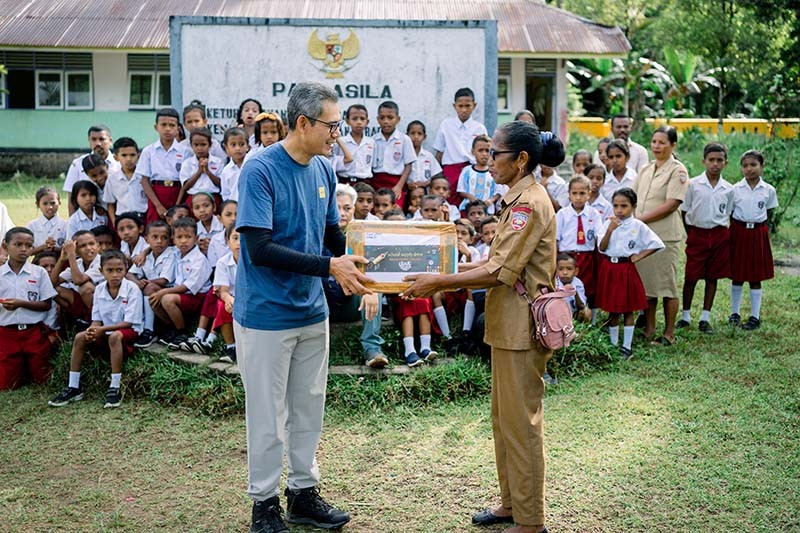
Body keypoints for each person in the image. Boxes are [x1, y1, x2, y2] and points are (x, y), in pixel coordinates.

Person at [402, 121, 565, 533]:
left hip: (520, 327)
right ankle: (512, 504)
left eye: (496, 154)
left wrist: (438, 281)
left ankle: (530, 521)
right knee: (504, 421)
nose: (488, 161)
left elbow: (498, 271)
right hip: (506, 323)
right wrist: (438, 270)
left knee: (521, 424)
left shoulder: (528, 203)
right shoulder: (518, 198)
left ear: (522, 160)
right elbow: (491, 264)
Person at [233, 82, 372, 532]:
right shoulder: (260, 169)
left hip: (312, 310)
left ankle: (303, 494)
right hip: (267, 313)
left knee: (309, 406)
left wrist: (370, 264)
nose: (339, 133)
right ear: (303, 124)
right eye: (332, 125)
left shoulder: (325, 170)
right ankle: (264, 504)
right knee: (268, 414)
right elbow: (258, 248)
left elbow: (332, 235)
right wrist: (331, 265)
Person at [49, 249, 143, 408]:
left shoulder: (132, 289)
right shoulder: (99, 289)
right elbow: (97, 319)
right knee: (80, 337)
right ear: (101, 272)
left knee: (115, 337)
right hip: (105, 331)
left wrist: (101, 330)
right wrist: (92, 330)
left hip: (129, 332)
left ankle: (115, 387)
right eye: (110, 270)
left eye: (119, 270)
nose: (115, 275)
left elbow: (128, 323)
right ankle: (74, 387)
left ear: (125, 270)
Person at [634, 125, 689, 345]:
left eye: (662, 142)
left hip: (665, 236)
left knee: (667, 286)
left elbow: (672, 204)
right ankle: (649, 329)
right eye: (654, 141)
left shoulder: (678, 171)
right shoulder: (646, 168)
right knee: (648, 285)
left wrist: (640, 220)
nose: (657, 146)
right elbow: (633, 197)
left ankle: (669, 333)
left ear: (673, 145)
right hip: (644, 236)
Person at [597, 188, 664, 358]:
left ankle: (627, 346)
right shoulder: (607, 223)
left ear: (633, 206)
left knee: (628, 309)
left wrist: (639, 255)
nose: (619, 210)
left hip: (626, 269)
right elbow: (602, 247)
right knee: (612, 310)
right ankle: (613, 344)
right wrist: (610, 230)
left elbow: (657, 243)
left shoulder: (638, 226)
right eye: (616, 206)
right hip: (610, 269)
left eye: (624, 206)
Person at [324, 183, 386, 367]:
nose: (342, 213)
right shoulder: (315, 233)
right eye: (336, 208)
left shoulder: (364, 236)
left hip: (352, 305)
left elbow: (372, 269)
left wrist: (372, 291)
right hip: (321, 305)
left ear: (354, 210)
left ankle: (372, 348)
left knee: (375, 287)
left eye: (347, 208)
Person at [677, 143, 734, 333]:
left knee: (712, 276)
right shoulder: (693, 185)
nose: (715, 164)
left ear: (725, 163)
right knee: (691, 276)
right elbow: (685, 212)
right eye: (711, 160)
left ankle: (705, 317)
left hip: (719, 235)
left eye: (719, 160)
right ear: (704, 161)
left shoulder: (728, 188)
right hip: (697, 234)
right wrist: (691, 233)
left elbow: (728, 213)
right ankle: (685, 316)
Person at [0, 227, 57, 390]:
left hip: (33, 333)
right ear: (5, 246)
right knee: (7, 385)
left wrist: (21, 303)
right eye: (18, 244)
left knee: (42, 380)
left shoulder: (38, 273)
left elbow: (46, 305)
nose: (23, 249)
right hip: (6, 333)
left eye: (28, 245)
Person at [729, 149, 778, 330]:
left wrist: (762, 231)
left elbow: (769, 212)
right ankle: (734, 313)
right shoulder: (734, 190)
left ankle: (755, 316)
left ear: (761, 166)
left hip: (758, 233)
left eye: (753, 165)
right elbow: (730, 212)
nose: (749, 169)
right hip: (738, 232)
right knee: (737, 275)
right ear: (741, 168)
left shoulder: (768, 190)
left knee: (755, 276)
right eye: (745, 166)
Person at [151, 217, 212, 349]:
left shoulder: (199, 260)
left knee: (166, 298)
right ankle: (171, 328)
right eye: (179, 237)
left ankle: (181, 332)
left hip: (196, 297)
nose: (183, 241)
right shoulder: (176, 253)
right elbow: (152, 248)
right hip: (180, 293)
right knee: (153, 296)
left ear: (196, 238)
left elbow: (188, 287)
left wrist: (164, 291)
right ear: (173, 239)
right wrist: (144, 253)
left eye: (188, 237)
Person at [556, 175, 603, 321]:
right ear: (569, 194)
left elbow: (598, 236)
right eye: (574, 193)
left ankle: (592, 321)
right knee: (566, 286)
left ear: (589, 194)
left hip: (587, 256)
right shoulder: (562, 214)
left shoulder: (593, 214)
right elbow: (556, 239)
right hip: (566, 257)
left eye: (582, 193)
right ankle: (566, 319)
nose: (578, 198)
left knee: (589, 287)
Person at [434, 87, 488, 205]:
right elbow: (439, 152)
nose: (464, 110)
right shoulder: (446, 125)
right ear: (454, 106)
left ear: (474, 105)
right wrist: (438, 175)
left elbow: (486, 151)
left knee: (470, 203)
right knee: (449, 201)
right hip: (450, 170)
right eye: (460, 106)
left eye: (467, 106)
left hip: (472, 170)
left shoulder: (479, 128)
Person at [130, 220, 177, 348]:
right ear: (146, 239)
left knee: (149, 288)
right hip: (149, 290)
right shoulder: (145, 256)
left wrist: (145, 283)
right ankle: (136, 326)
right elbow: (130, 274)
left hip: (168, 291)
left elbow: (164, 280)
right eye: (154, 237)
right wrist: (138, 282)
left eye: (164, 238)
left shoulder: (172, 254)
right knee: (132, 287)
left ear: (170, 239)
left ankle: (149, 330)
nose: (159, 241)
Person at [138, 107, 183, 225]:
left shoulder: (185, 151)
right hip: (156, 194)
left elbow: (187, 181)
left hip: (178, 193)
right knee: (155, 230)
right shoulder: (148, 151)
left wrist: (177, 205)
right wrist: (157, 205)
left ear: (178, 129)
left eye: (172, 125)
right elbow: (144, 180)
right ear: (156, 127)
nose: (167, 129)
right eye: (163, 125)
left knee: (178, 230)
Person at [63, 125, 120, 212]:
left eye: (102, 139)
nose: (98, 143)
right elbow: (72, 197)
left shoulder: (119, 163)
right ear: (89, 141)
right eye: (93, 139)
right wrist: (72, 222)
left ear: (110, 141)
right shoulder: (77, 164)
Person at [53, 230, 104, 324]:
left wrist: (71, 254)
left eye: (91, 244)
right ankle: (79, 317)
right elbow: (52, 283)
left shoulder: (102, 262)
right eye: (83, 246)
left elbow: (78, 280)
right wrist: (62, 259)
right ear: (76, 250)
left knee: (86, 288)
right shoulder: (78, 263)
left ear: (98, 246)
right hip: (83, 304)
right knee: (55, 290)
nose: (89, 248)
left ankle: (95, 320)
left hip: (104, 304)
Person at [371, 100, 415, 205]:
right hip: (376, 182)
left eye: (390, 118)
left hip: (396, 183)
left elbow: (408, 165)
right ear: (378, 120)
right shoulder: (373, 140)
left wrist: (399, 186)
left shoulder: (404, 139)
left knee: (395, 211)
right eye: (382, 118)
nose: (386, 121)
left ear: (398, 119)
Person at [213, 222, 240, 363]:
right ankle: (231, 347)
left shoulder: (255, 261)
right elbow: (223, 291)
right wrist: (228, 298)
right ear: (227, 241)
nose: (239, 243)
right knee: (223, 306)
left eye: (244, 238)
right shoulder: (223, 263)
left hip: (251, 298)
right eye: (235, 238)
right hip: (231, 297)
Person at [104, 137, 146, 226]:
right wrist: (114, 221)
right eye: (124, 155)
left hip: (142, 218)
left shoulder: (144, 176)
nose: (129, 159)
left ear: (138, 156)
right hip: (122, 220)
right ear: (116, 157)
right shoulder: (112, 179)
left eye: (132, 155)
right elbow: (110, 204)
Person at [178, 127, 224, 208]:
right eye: (196, 145)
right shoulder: (187, 163)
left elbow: (221, 184)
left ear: (210, 145)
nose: (199, 148)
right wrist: (199, 171)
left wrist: (208, 171)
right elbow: (185, 186)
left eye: (203, 144)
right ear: (191, 145)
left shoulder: (218, 162)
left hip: (213, 198)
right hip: (193, 197)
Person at [333, 104, 375, 184]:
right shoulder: (341, 142)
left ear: (367, 122)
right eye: (354, 119)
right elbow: (335, 162)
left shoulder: (371, 142)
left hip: (365, 183)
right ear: (347, 121)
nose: (359, 122)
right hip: (345, 181)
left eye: (362, 119)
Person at [457, 135, 498, 212]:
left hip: (487, 210)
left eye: (487, 150)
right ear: (473, 152)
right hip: (468, 210)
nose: (484, 154)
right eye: (480, 150)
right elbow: (461, 190)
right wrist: (470, 196)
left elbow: (498, 191)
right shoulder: (467, 170)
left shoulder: (494, 171)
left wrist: (491, 200)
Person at [28, 186, 67, 256]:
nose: (49, 207)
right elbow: (27, 252)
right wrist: (43, 247)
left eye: (53, 203)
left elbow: (70, 249)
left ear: (59, 203)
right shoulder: (32, 226)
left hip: (60, 261)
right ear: (37, 204)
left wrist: (54, 248)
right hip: (38, 262)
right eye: (45, 204)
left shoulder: (65, 225)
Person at [554, 253, 590, 323]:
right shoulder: (554, 282)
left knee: (587, 313)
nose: (565, 272)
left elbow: (581, 306)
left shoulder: (578, 284)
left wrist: (575, 293)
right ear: (556, 271)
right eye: (561, 269)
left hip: (572, 314)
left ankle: (577, 328)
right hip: (555, 314)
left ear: (576, 271)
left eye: (569, 269)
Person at [407, 120, 442, 190]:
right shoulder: (403, 155)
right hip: (408, 192)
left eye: (419, 134)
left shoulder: (428, 156)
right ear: (406, 135)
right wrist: (407, 184)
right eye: (412, 133)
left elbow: (437, 175)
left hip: (426, 193)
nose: (416, 137)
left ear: (424, 137)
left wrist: (425, 183)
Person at [220, 127, 249, 202]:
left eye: (241, 144)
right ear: (226, 147)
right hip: (234, 208)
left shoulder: (252, 165)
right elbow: (225, 194)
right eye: (233, 145)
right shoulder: (226, 171)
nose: (238, 148)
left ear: (247, 146)